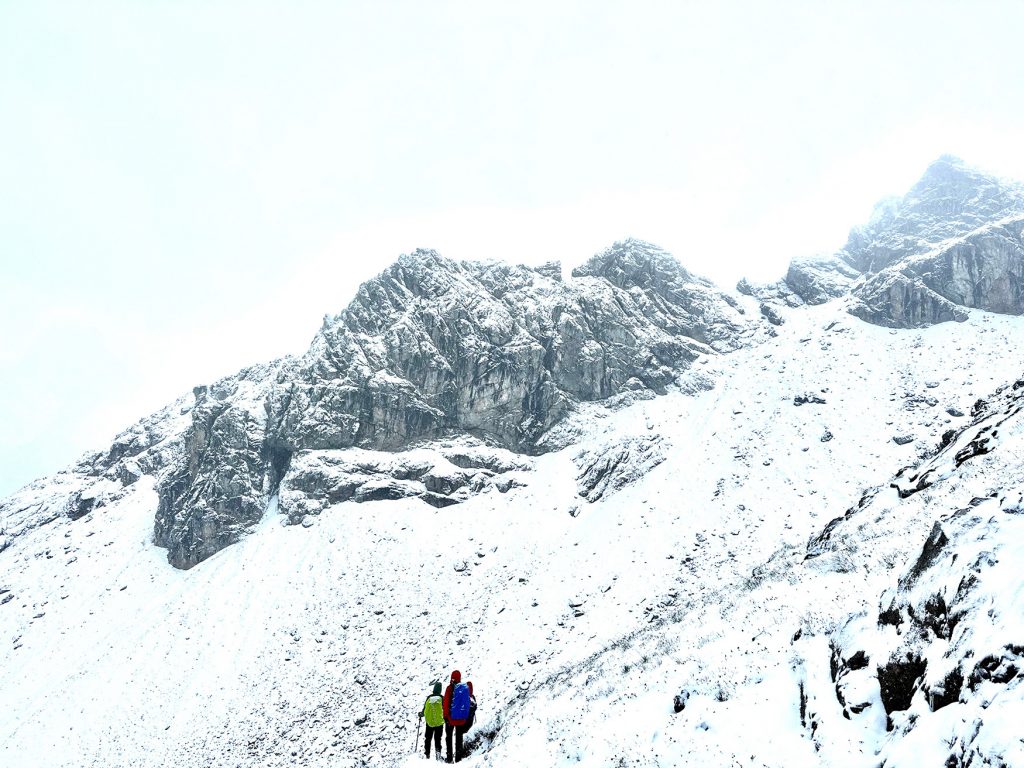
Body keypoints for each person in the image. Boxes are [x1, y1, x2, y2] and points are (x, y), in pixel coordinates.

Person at [442, 669, 471, 763]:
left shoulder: (449, 688)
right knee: (459, 738)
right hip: (461, 719)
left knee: (449, 737)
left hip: (450, 718)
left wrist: (445, 716)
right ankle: (458, 759)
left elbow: (445, 703)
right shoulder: (463, 688)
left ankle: (449, 758)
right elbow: (467, 703)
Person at [420, 681, 444, 760]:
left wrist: (421, 714)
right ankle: (438, 754)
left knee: (428, 738)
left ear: (434, 689)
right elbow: (445, 709)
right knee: (438, 739)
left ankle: (427, 754)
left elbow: (424, 710)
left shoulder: (429, 698)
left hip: (429, 722)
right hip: (439, 723)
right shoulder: (442, 698)